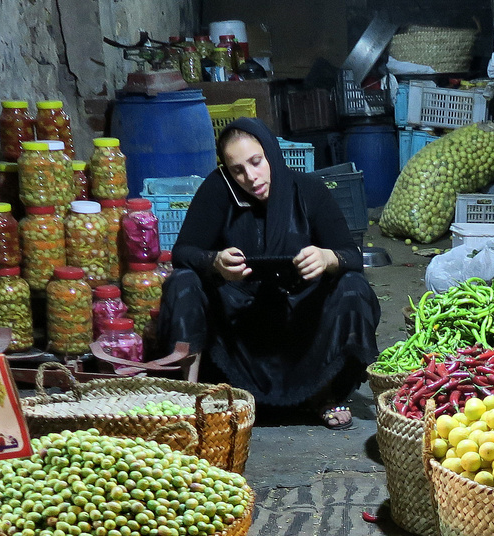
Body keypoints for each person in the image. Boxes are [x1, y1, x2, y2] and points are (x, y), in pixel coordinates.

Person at [146, 119, 380, 428]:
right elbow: (183, 253)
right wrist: (215, 261)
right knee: (183, 281)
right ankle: (190, 397)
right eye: (237, 170)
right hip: (239, 320)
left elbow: (351, 256)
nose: (250, 177)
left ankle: (324, 393)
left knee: (353, 286)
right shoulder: (218, 190)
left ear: (271, 154)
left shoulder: (308, 190)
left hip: (300, 316)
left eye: (256, 162)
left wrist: (327, 257)